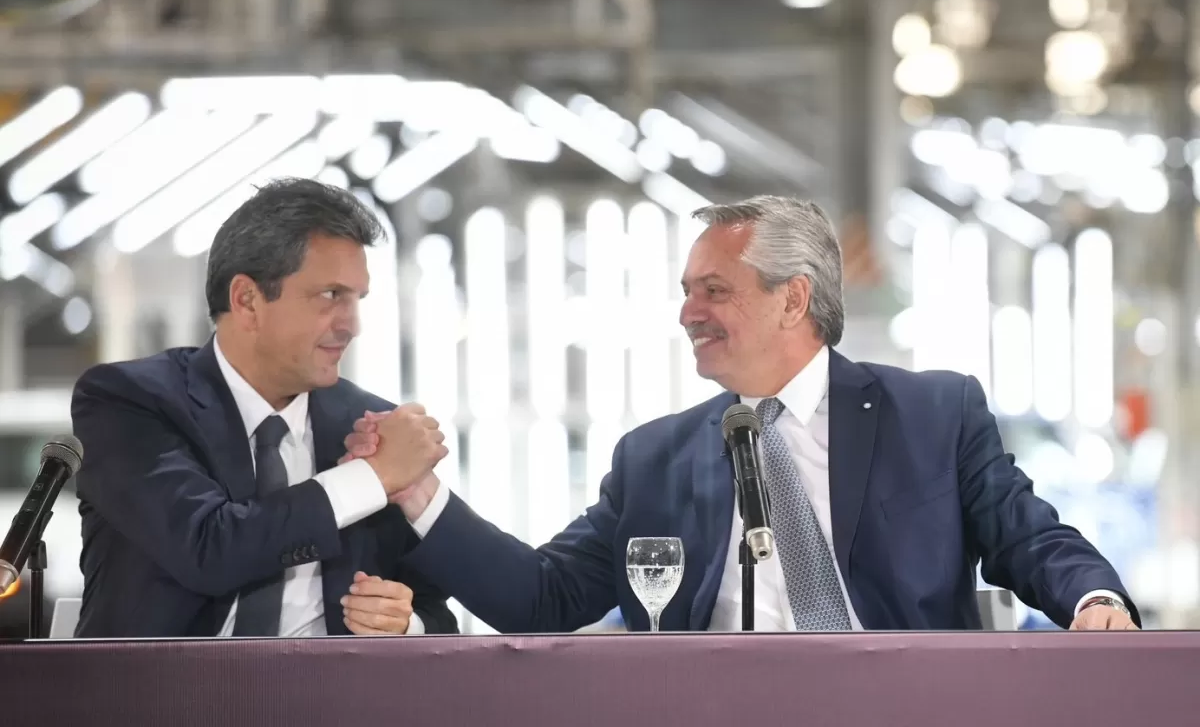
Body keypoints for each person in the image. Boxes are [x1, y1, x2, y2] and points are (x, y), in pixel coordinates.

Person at [348, 195, 1138, 633]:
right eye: (686, 291)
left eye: (714, 290)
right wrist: (418, 495)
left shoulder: (933, 413)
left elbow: (1030, 538)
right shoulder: (654, 459)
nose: (687, 312)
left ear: (794, 298)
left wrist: (1096, 602)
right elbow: (541, 599)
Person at [72, 178, 454, 638]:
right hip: (167, 703)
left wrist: (404, 622)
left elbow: (436, 612)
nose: (352, 325)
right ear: (247, 300)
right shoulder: (129, 400)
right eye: (331, 295)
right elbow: (208, 548)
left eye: (358, 300)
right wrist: (371, 478)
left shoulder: (370, 425)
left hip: (331, 704)